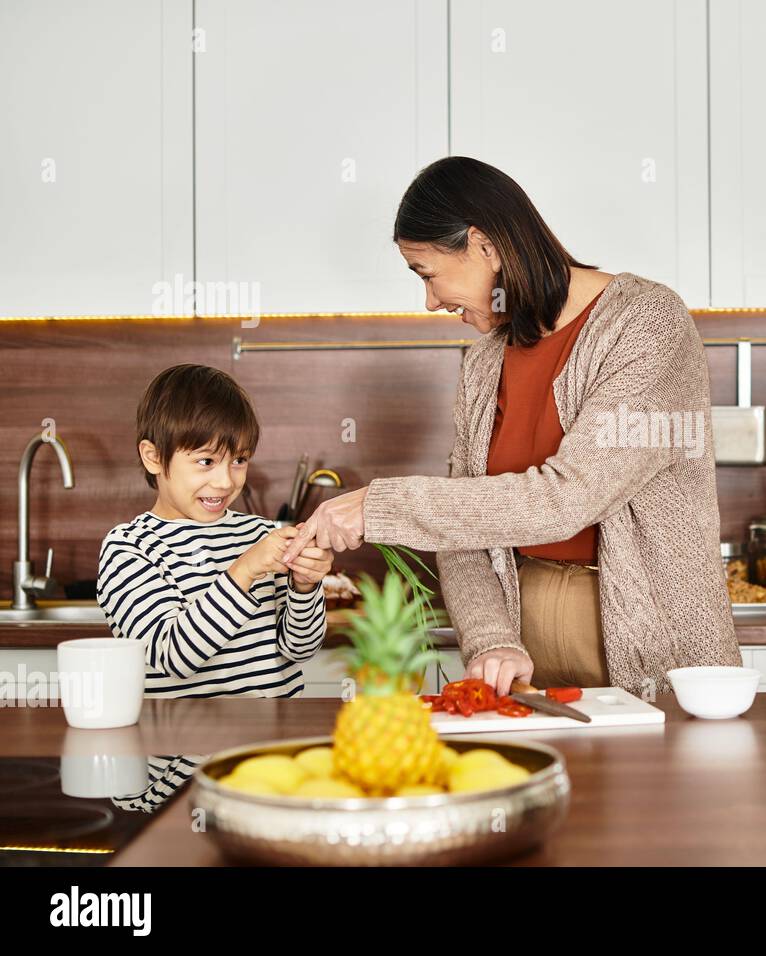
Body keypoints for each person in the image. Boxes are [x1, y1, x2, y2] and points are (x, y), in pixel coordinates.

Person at [282, 156, 741, 697]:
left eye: (428, 274)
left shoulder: (646, 323)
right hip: (524, 653)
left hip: (657, 651)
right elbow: (463, 527)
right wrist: (491, 638)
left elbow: (568, 497)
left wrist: (377, 506)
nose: (430, 301)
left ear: (485, 246)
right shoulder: (483, 364)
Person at [96, 365, 334, 697]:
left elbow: (299, 650)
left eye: (239, 460)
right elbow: (174, 657)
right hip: (181, 748)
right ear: (153, 457)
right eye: (206, 462)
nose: (225, 482)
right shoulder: (129, 548)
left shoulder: (260, 535)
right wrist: (245, 569)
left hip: (272, 744)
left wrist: (305, 588)